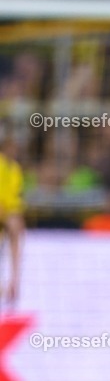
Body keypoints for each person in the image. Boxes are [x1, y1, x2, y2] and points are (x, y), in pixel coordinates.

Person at [0, 123, 24, 312]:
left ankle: (14, 281)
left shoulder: (14, 168)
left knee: (16, 230)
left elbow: (15, 199)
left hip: (7, 219)